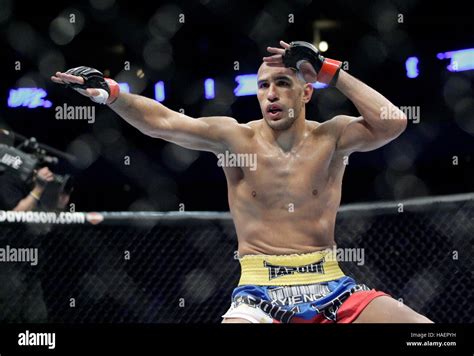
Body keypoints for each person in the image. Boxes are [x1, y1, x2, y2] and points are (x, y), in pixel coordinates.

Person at [51, 40, 432, 323]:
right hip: (259, 292)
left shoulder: (331, 137)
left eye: (283, 83)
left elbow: (393, 122)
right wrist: (113, 94)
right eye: (263, 86)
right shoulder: (235, 138)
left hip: (332, 283)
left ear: (307, 91)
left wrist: (332, 70)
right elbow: (163, 123)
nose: (271, 94)